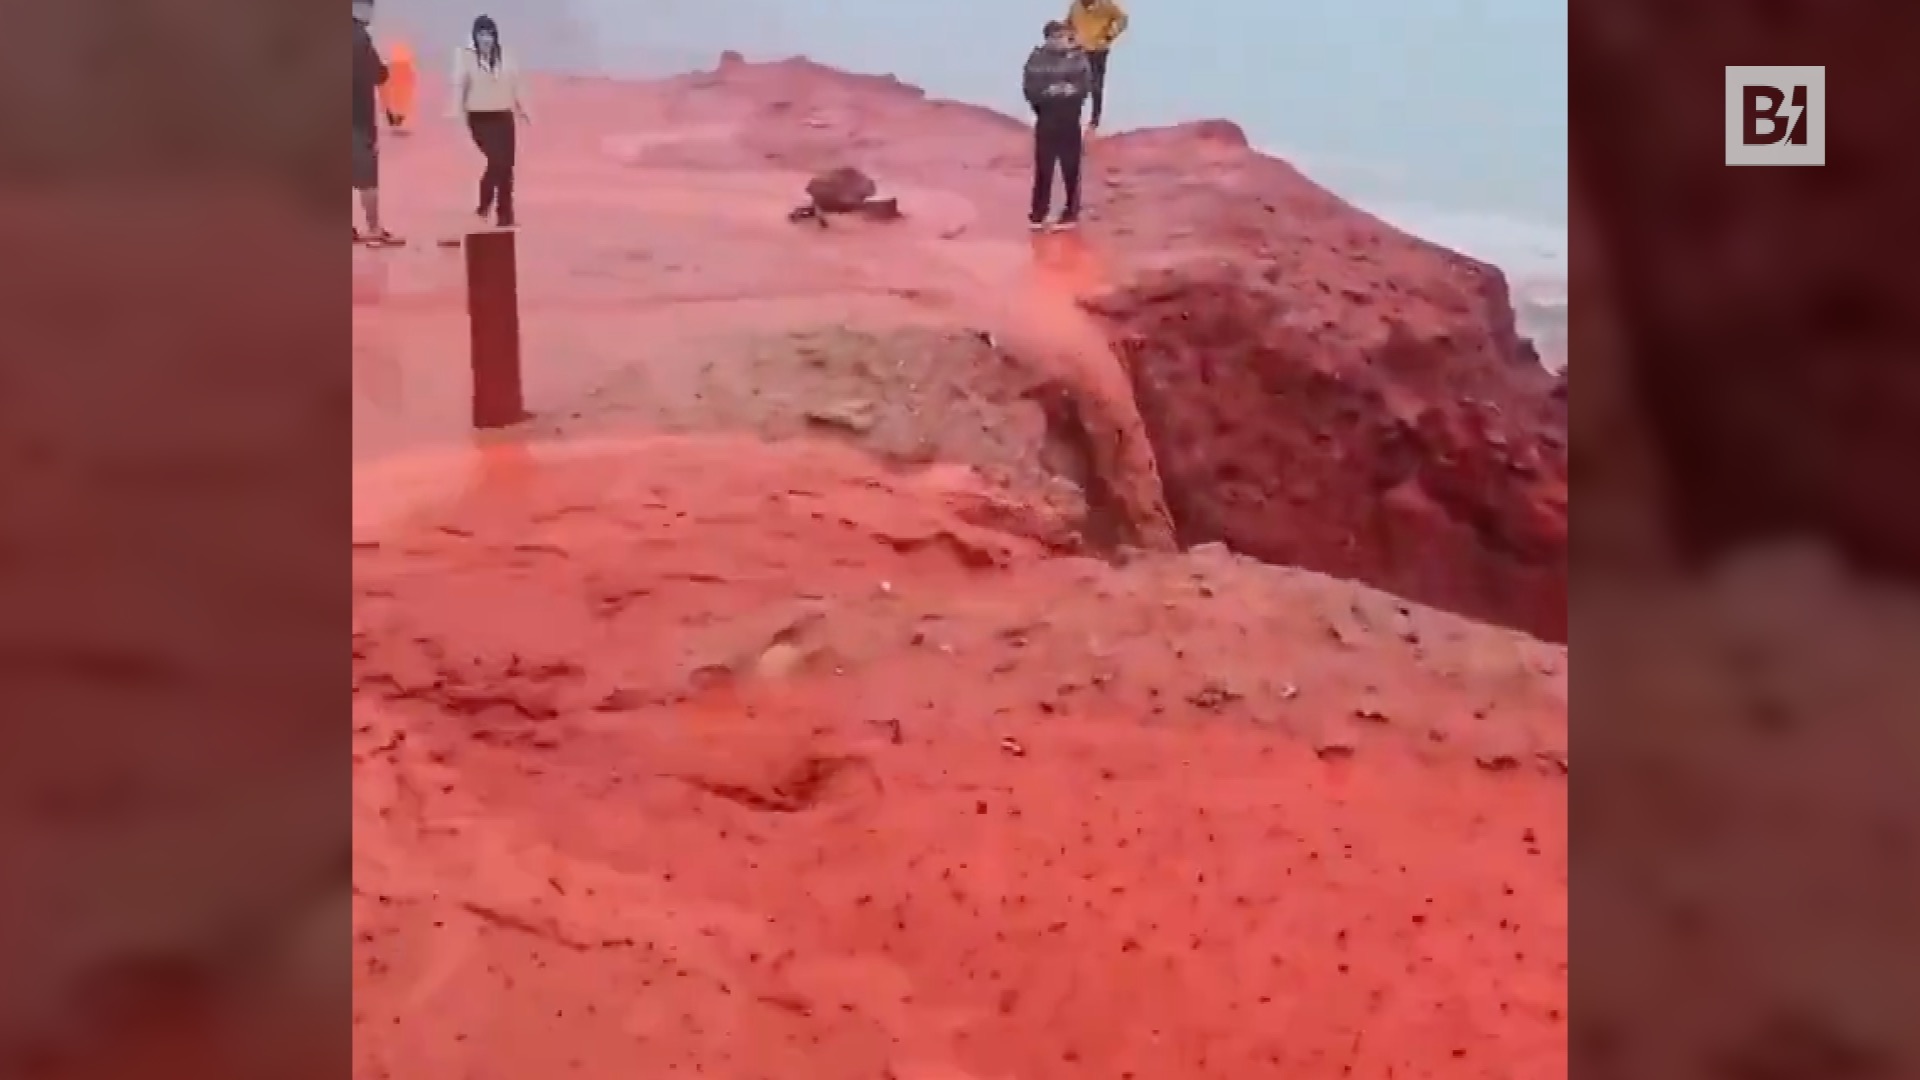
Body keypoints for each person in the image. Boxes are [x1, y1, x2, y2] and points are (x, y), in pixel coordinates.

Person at [451, 15, 531, 228]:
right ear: (475, 36)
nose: (486, 39)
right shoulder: (465, 56)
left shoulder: (507, 55)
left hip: (504, 116)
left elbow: (516, 84)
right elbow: (459, 87)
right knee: (496, 161)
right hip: (479, 118)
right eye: (481, 34)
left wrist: (523, 109)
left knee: (507, 167)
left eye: (490, 34)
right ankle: (483, 206)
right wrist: (457, 115)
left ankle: (505, 215)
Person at [1022, 20, 1093, 231]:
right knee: (1044, 168)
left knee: (1071, 168)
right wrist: (1048, 93)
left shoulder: (1079, 58)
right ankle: (1038, 213)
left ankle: (1071, 212)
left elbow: (1085, 86)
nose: (1061, 40)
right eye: (1056, 37)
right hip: (1046, 119)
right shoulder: (1036, 59)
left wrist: (1070, 91)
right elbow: (1029, 89)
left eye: (1063, 36)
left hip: (1070, 119)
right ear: (1047, 38)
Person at [352, 2, 401, 245]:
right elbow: (379, 74)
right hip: (357, 119)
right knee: (367, 178)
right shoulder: (360, 39)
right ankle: (373, 227)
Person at [1063, 0, 1128, 133]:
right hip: (1080, 49)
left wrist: (1110, 35)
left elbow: (1122, 19)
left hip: (1099, 50)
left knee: (1096, 85)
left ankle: (1095, 120)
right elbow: (1067, 23)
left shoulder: (1106, 5)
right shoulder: (1075, 6)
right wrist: (1069, 38)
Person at [380, 39, 418, 133]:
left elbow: (387, 79)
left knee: (397, 104)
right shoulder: (405, 65)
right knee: (400, 104)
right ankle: (397, 122)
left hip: (397, 88)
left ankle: (395, 122)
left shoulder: (394, 65)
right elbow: (411, 78)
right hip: (401, 89)